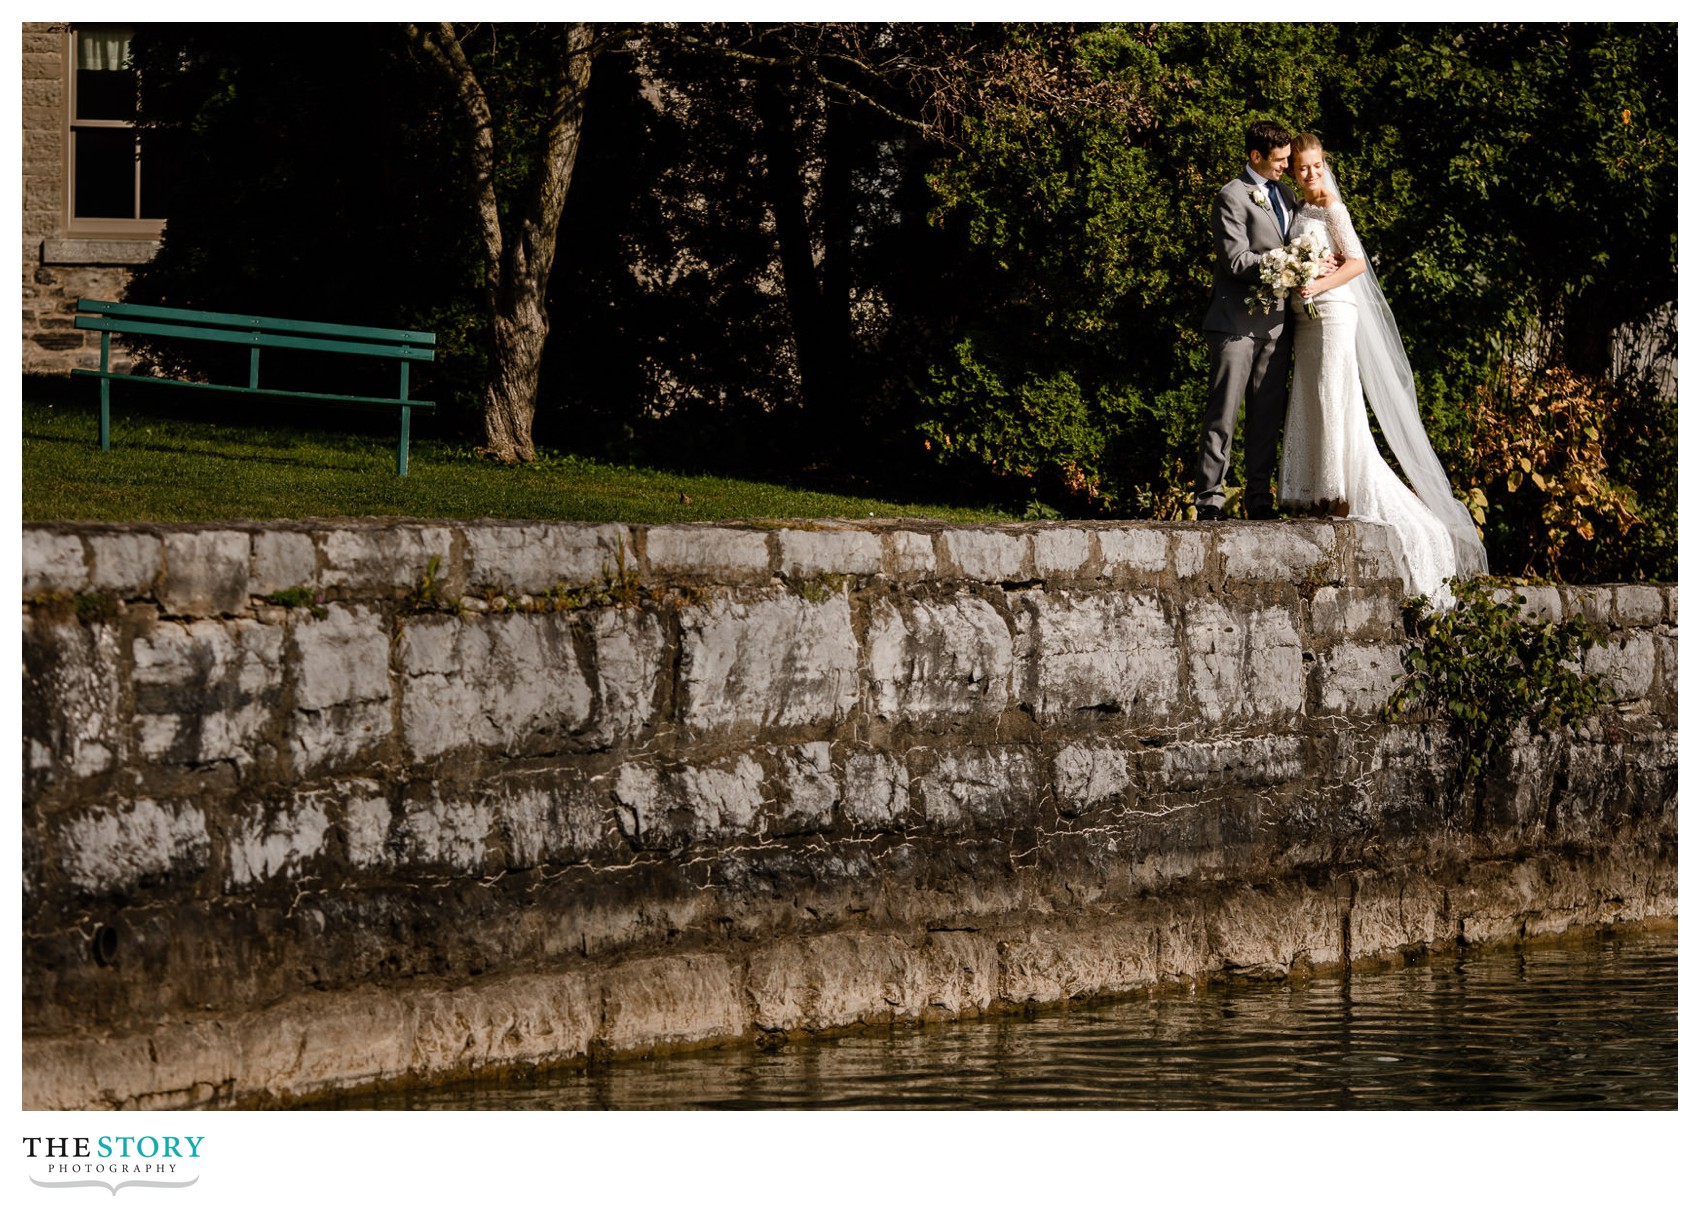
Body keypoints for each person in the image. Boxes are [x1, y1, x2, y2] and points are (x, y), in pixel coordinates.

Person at [1276, 133, 1489, 599]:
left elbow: (1356, 264)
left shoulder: (1333, 208)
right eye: (1302, 168)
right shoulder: (1298, 209)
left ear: (1324, 165)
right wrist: (1297, 276)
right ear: (1293, 171)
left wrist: (1319, 282)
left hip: (1333, 312)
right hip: (1305, 317)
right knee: (1311, 395)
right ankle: (1317, 491)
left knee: (1334, 395)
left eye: (1315, 166)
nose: (1310, 174)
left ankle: (1338, 494)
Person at [1195, 120, 1301, 522]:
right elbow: (1237, 260)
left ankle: (1259, 498)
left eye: (1288, 159)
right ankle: (1210, 500)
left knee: (1266, 416)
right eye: (1279, 160)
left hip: (1275, 325)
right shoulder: (1231, 196)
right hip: (1235, 323)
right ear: (1256, 156)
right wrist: (1288, 264)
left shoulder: (1287, 194)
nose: (1285, 166)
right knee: (1223, 414)